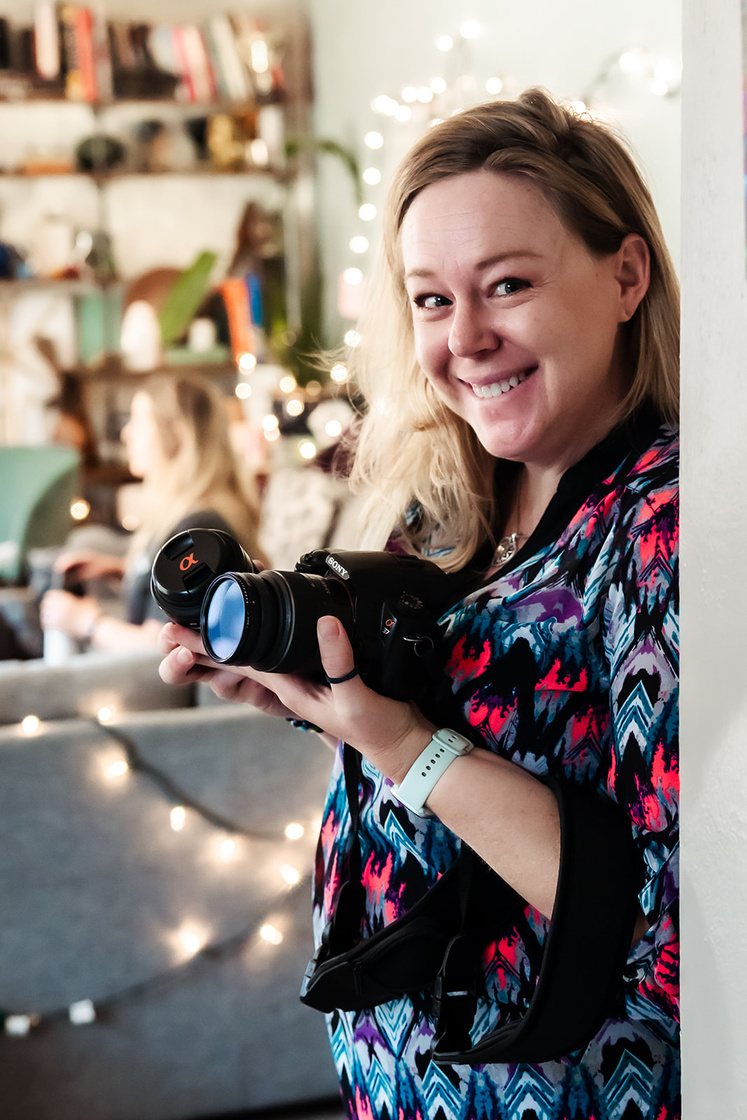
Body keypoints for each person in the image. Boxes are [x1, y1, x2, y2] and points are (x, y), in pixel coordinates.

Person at [158, 89, 679, 1120]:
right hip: (407, 1079)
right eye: (433, 301)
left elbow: (660, 926)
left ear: (626, 275)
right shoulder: (454, 506)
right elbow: (482, 756)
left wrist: (400, 743)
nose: (468, 339)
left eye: (509, 285)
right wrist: (314, 702)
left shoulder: (667, 521)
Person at [41, 372, 266, 652]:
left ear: (176, 433)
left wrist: (84, 621)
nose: (126, 433)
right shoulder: (196, 513)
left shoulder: (197, 529)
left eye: (137, 420)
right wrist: (124, 571)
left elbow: (158, 646)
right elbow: (188, 595)